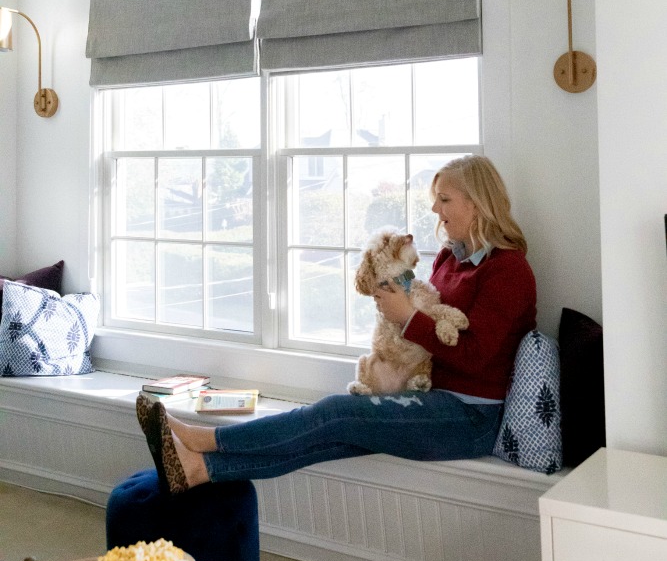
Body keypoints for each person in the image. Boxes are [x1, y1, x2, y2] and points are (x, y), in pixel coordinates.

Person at [137, 155, 537, 494]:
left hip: (471, 417)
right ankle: (199, 471)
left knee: (332, 414)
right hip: (430, 394)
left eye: (445, 200)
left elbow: (476, 358)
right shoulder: (452, 259)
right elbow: (428, 327)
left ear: (477, 204)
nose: (435, 211)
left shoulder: (508, 271)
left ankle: (203, 439)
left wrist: (409, 318)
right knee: (333, 433)